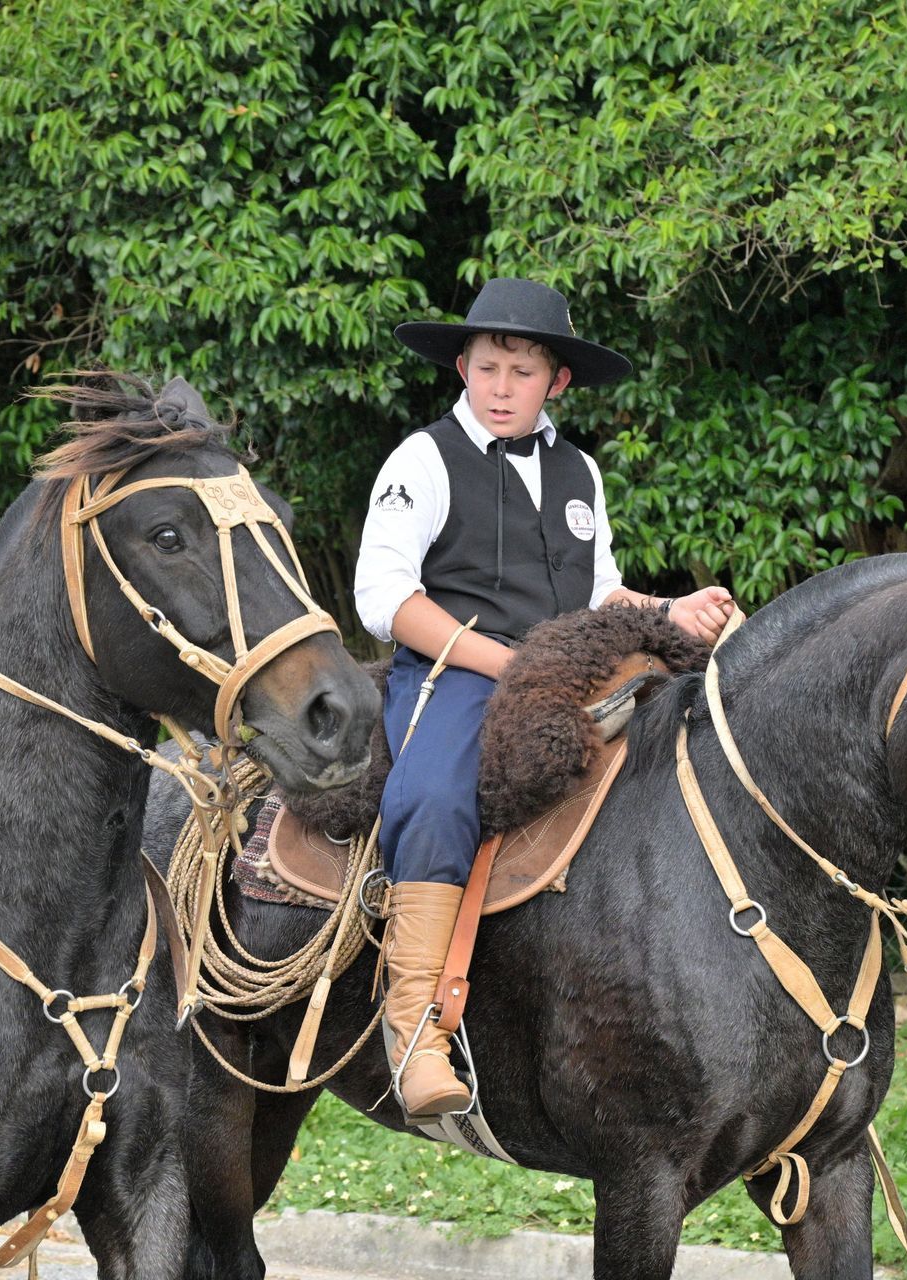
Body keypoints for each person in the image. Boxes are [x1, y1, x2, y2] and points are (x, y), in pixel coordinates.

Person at [355, 277, 733, 1119]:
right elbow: (385, 598)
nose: (501, 388)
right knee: (435, 795)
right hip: (457, 672)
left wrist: (671, 611)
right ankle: (414, 1031)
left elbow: (598, 593)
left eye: (521, 372)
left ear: (555, 381)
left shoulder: (577, 471)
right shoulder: (423, 460)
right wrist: (508, 665)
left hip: (568, 666)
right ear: (462, 367)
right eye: (487, 368)